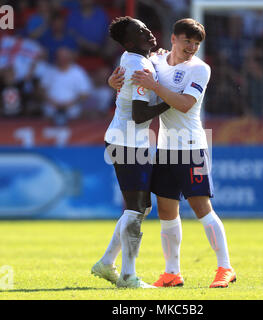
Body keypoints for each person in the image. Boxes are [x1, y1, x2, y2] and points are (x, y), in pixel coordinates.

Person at [109, 18, 237, 288]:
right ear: (173, 39)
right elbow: (130, 73)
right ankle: (172, 272)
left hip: (192, 147)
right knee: (167, 213)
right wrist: (113, 80)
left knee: (202, 209)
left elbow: (184, 104)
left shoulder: (200, 69)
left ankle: (225, 267)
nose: (191, 47)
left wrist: (155, 87)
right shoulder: (156, 61)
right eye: (187, 41)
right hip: (166, 148)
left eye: (197, 43)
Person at [91, 16, 171, 289]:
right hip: (128, 142)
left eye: (146, 26)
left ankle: (107, 263)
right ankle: (127, 275)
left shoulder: (134, 57)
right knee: (136, 209)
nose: (148, 30)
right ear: (129, 42)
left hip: (130, 141)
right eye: (140, 30)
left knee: (140, 208)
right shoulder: (137, 63)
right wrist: (170, 101)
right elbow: (139, 114)